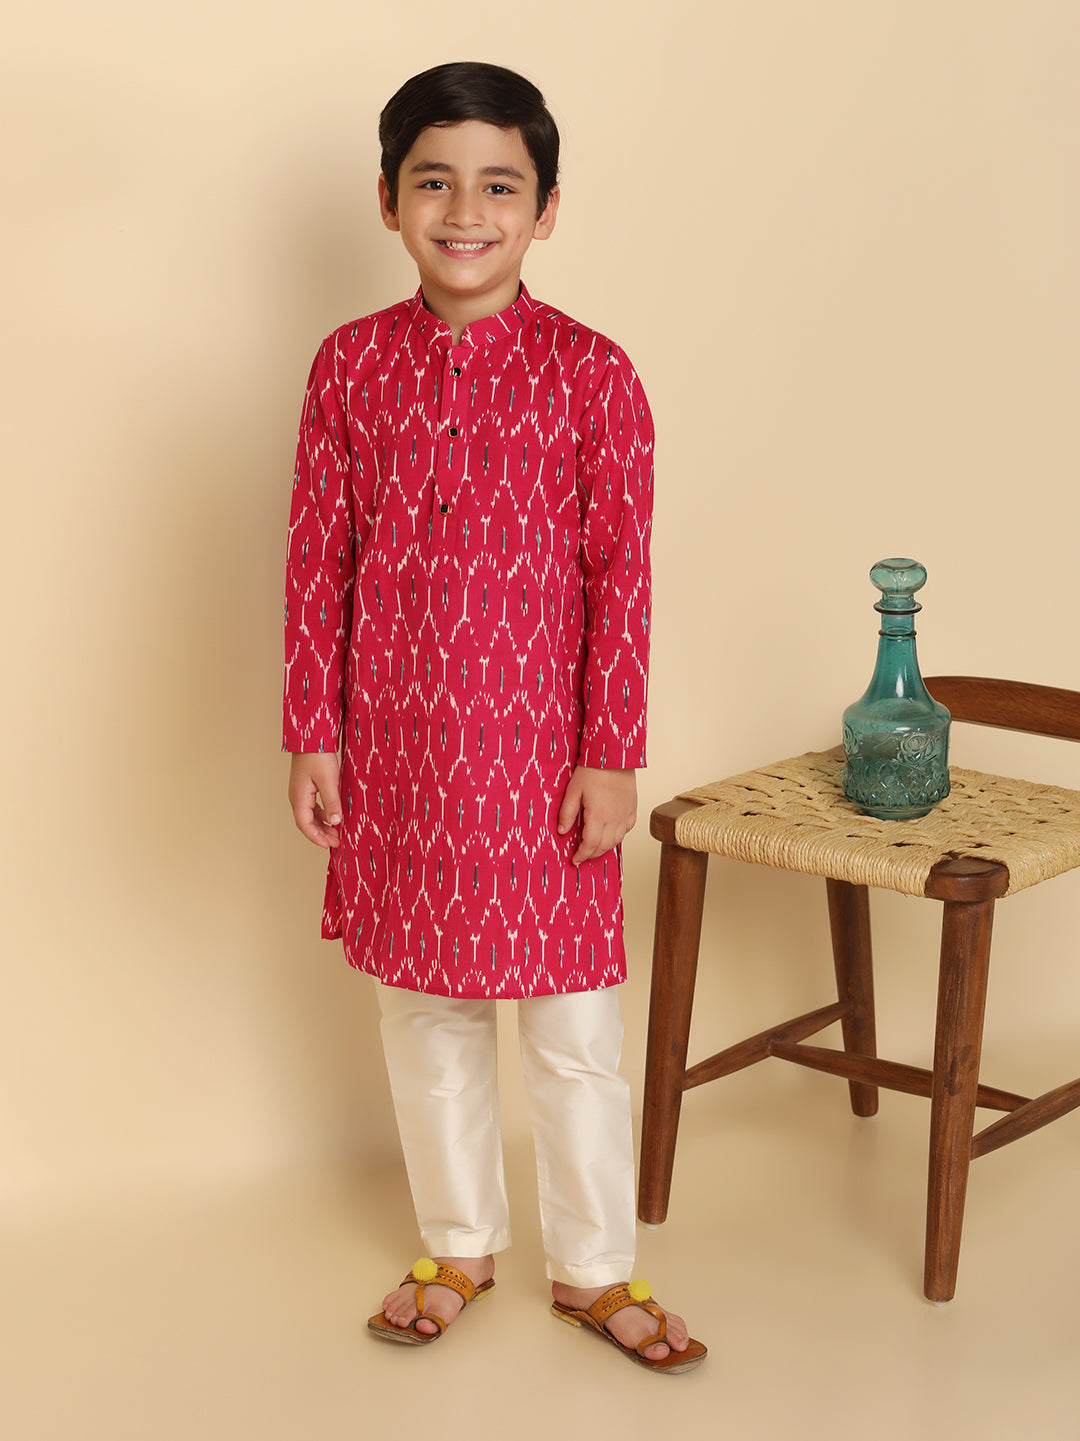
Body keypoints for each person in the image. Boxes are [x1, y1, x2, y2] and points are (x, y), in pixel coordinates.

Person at [283, 61, 706, 1373]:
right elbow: (317, 559)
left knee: (574, 1032)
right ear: (388, 199)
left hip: (544, 760)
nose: (466, 211)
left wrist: (611, 754)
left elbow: (622, 575)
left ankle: (593, 1268)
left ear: (546, 208)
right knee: (426, 1013)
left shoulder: (593, 374)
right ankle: (459, 1241)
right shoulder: (350, 366)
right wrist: (312, 730)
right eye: (435, 182)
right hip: (398, 752)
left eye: (500, 186)